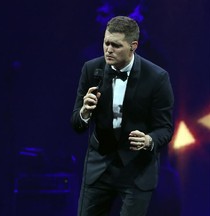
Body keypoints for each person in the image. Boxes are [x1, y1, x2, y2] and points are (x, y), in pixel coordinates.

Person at [71, 16, 174, 216]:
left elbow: (166, 128)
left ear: (133, 46)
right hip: (99, 167)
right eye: (106, 43)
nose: (108, 49)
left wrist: (149, 140)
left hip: (136, 169)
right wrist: (84, 113)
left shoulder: (157, 78)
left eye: (116, 45)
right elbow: (76, 124)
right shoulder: (91, 69)